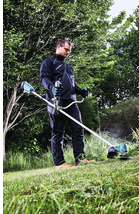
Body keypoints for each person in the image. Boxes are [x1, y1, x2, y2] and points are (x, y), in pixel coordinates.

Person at [40, 39, 93, 168]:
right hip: (56, 101)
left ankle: (80, 159)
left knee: (77, 128)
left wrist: (80, 91)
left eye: (69, 50)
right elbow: (44, 79)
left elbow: (71, 85)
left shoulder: (68, 67)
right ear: (59, 47)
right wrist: (52, 88)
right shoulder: (48, 63)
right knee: (58, 132)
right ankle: (59, 163)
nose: (68, 53)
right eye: (66, 49)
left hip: (71, 102)